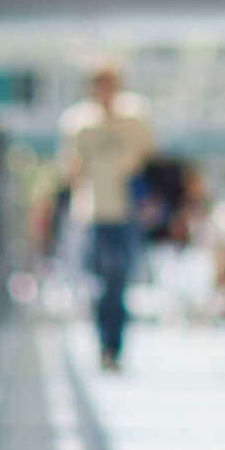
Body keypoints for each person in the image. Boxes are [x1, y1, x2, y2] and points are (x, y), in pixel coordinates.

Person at [57, 64, 156, 372]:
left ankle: (114, 347)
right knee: (99, 283)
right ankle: (104, 346)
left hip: (125, 212)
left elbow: (148, 158)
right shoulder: (78, 123)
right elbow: (69, 168)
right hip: (91, 214)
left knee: (119, 282)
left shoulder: (134, 117)